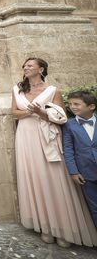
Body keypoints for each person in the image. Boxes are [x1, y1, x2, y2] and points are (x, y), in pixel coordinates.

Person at [12, 57, 97, 247]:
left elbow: (62, 118)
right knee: (35, 178)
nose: (26, 67)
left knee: (55, 179)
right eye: (25, 66)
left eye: (30, 65)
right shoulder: (17, 89)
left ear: (41, 69)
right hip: (26, 136)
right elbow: (14, 112)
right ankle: (45, 226)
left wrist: (41, 114)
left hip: (48, 137)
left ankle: (64, 229)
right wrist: (30, 112)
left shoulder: (53, 91)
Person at [63, 91, 97, 227]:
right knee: (94, 208)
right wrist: (73, 172)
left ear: (91, 106)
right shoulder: (69, 125)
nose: (73, 107)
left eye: (77, 104)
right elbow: (68, 150)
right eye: (70, 104)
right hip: (85, 173)